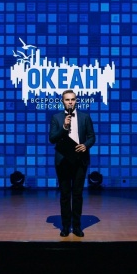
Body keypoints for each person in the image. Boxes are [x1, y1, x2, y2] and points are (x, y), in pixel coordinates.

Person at [49, 89, 96, 237]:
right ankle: (65, 227)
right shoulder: (56, 118)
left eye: (73, 99)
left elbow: (92, 137)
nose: (70, 102)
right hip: (63, 160)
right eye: (67, 99)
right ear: (63, 101)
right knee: (64, 194)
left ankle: (76, 226)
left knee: (77, 194)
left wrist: (86, 145)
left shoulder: (85, 117)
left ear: (76, 101)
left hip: (80, 159)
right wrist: (64, 127)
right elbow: (52, 138)